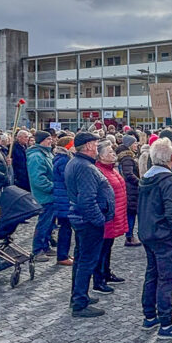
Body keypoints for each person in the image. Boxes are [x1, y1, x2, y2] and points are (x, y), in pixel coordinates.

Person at [137, 138, 172, 338]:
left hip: (148, 233)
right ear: (170, 158)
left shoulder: (146, 177)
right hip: (164, 236)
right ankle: (166, 324)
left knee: (152, 275)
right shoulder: (168, 180)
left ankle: (150, 316)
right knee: (167, 280)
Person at [66, 132, 114, 318]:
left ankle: (79, 294)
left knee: (81, 259)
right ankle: (79, 302)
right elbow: (87, 199)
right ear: (87, 146)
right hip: (88, 222)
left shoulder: (77, 163)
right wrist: (99, 220)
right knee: (86, 261)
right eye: (95, 144)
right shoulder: (84, 167)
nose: (96, 147)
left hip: (82, 220)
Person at [95, 140, 128, 290]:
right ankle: (99, 278)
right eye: (109, 152)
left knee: (108, 247)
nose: (113, 154)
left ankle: (106, 272)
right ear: (100, 156)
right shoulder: (99, 170)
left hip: (115, 214)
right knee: (102, 249)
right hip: (107, 216)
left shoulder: (111, 169)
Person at [27, 130, 57, 261]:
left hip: (50, 194)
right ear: (42, 141)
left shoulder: (46, 153)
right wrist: (53, 187)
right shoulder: (37, 156)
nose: (51, 141)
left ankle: (45, 246)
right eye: (48, 139)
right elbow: (38, 179)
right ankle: (37, 249)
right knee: (43, 223)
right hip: (44, 195)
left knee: (49, 223)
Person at [51, 135, 75, 266]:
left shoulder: (64, 159)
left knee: (66, 228)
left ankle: (64, 253)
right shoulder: (64, 160)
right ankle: (62, 255)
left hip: (63, 197)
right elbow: (68, 179)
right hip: (64, 199)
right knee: (65, 229)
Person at [117, 135, 143, 247]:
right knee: (131, 214)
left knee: (131, 214)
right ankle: (129, 236)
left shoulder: (128, 157)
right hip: (131, 190)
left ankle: (130, 235)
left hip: (130, 189)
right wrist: (140, 182)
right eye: (134, 143)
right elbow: (128, 174)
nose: (136, 145)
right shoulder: (127, 158)